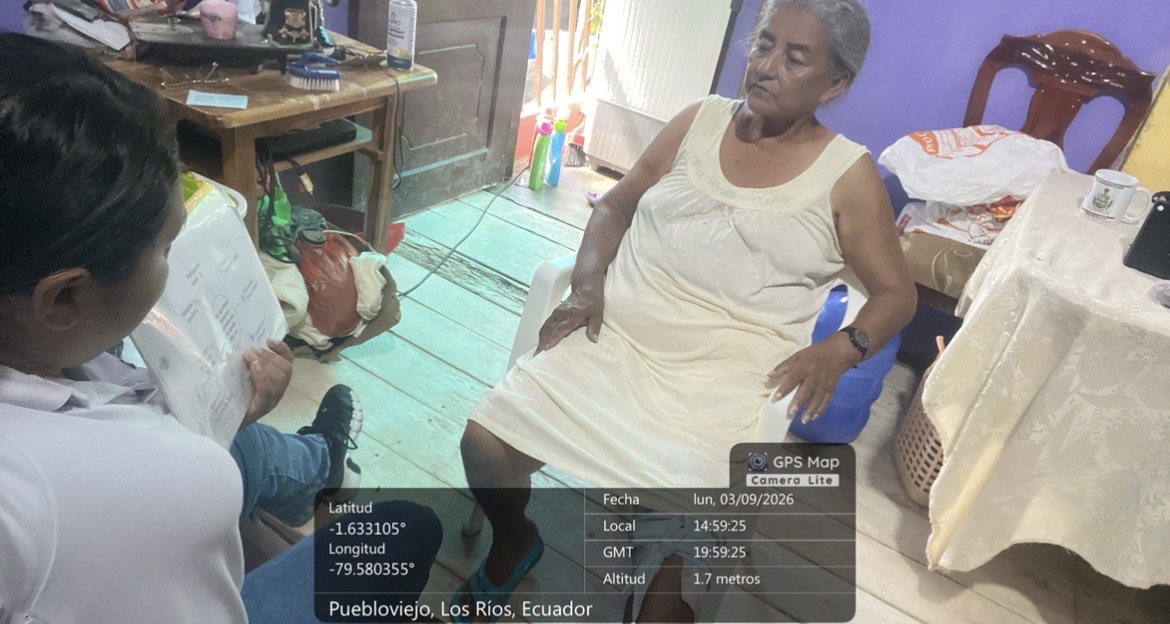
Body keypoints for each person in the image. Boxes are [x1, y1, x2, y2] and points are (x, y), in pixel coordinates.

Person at [457, 0, 916, 622]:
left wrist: (842, 348)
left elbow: (896, 294)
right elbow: (615, 205)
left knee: (663, 610)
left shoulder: (847, 174)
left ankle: (653, 549)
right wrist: (587, 285)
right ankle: (515, 540)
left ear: (835, 83)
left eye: (795, 57)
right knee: (484, 443)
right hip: (614, 342)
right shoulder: (700, 119)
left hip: (721, 388)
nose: (766, 65)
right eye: (764, 44)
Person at [0, 34, 441, 623]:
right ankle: (320, 465)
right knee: (405, 529)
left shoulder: (38, 348)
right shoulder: (102, 493)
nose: (173, 261)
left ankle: (321, 464)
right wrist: (205, 453)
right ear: (63, 297)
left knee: (247, 441)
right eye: (166, 248)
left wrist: (224, 418)